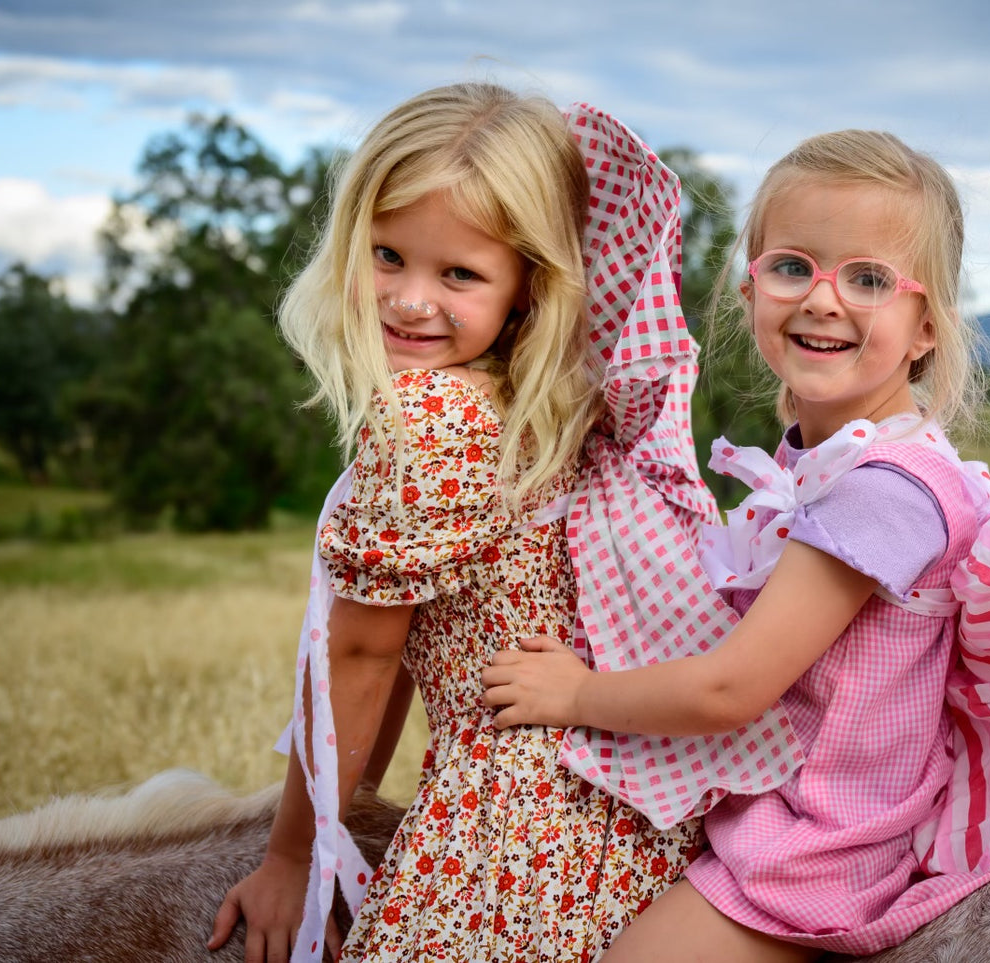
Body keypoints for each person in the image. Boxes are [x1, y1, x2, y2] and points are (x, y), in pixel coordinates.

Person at [482, 128, 990, 960]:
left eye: (868, 279)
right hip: (785, 803)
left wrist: (574, 695)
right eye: (792, 266)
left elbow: (732, 687)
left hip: (818, 847)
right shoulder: (834, 462)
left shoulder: (883, 493)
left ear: (926, 329)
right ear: (749, 288)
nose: (821, 299)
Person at [205, 82, 760, 963]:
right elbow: (381, 664)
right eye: (386, 255)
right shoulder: (549, 403)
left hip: (514, 833)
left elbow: (360, 657)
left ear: (527, 287)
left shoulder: (434, 420)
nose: (412, 299)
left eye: (458, 273)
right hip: (618, 818)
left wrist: (291, 855)